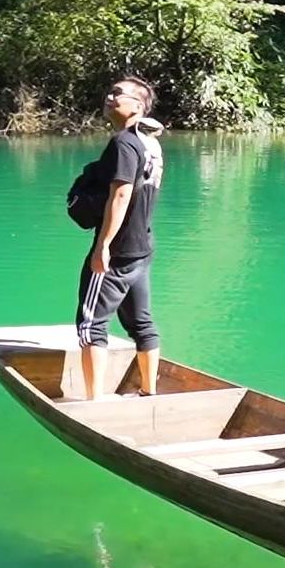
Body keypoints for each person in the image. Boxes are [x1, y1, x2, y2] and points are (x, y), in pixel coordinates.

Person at [77, 76, 164, 400]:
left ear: (138, 106)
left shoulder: (124, 143)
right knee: (141, 323)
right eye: (109, 90)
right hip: (142, 248)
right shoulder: (150, 143)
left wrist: (103, 246)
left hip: (119, 250)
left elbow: (122, 193)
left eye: (118, 93)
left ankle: (94, 402)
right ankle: (148, 391)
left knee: (91, 325)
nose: (110, 96)